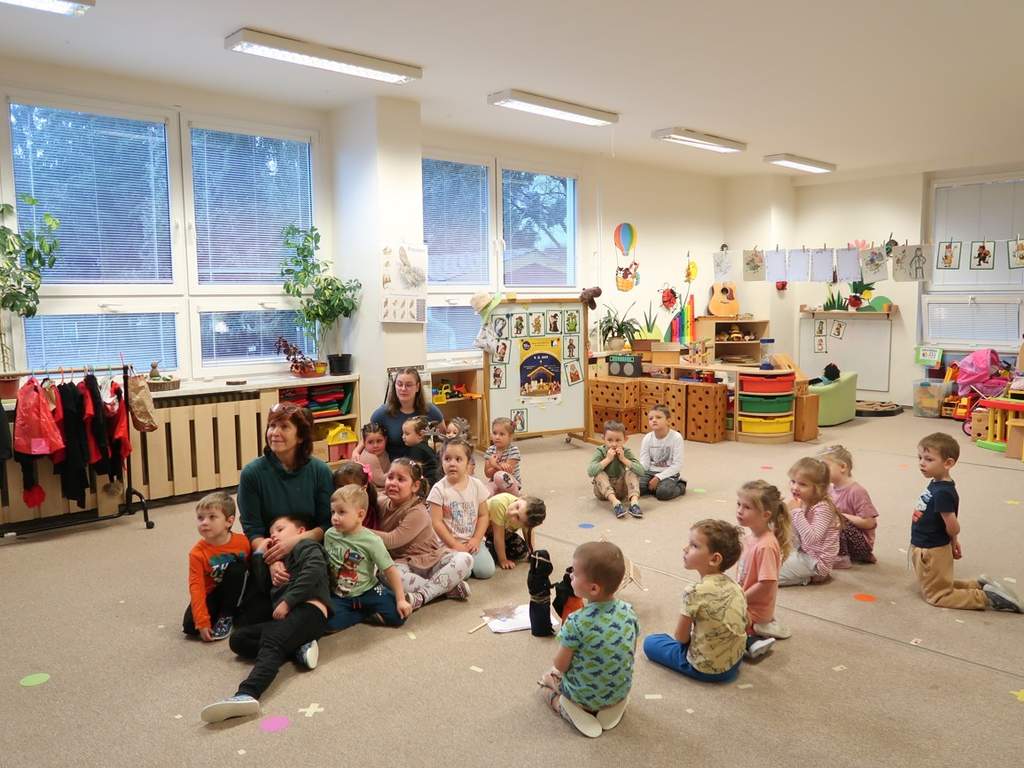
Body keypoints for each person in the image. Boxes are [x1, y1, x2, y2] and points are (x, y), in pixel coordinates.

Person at [200, 516, 332, 723]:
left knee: (272, 643)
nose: (274, 535)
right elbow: (263, 587)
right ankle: (298, 647)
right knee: (239, 640)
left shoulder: (306, 546)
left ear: (300, 531)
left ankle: (247, 693)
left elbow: (314, 571)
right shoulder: (277, 560)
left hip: (309, 610)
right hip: (289, 620)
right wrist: (261, 556)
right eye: (271, 533)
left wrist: (287, 601)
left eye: (280, 529)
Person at [538, 541, 638, 738]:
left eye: (575, 573)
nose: (570, 576)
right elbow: (630, 651)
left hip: (582, 697)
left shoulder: (576, 622)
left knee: (546, 683)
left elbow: (561, 665)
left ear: (593, 589)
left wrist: (554, 675)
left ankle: (566, 707)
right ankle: (614, 703)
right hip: (619, 691)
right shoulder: (629, 611)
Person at [910, 433, 1020, 612]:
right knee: (936, 582)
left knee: (937, 595)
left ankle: (988, 597)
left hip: (931, 549)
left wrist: (953, 538)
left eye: (928, 459)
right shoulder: (939, 484)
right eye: (920, 457)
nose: (922, 463)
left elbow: (953, 526)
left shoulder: (942, 492)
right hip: (930, 545)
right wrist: (953, 542)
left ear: (948, 463)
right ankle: (978, 585)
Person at [237, 403, 333, 592]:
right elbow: (253, 529)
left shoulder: (320, 471)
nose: (275, 432)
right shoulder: (251, 474)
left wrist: (296, 542)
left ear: (300, 437)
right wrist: (273, 560)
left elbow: (327, 524)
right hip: (268, 550)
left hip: (310, 551)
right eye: (272, 426)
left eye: (284, 427)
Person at [643, 519, 747, 682]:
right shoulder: (735, 586)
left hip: (707, 669)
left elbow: (680, 638)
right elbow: (746, 621)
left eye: (694, 546)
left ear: (714, 559)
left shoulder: (694, 591)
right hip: (735, 661)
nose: (685, 549)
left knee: (651, 642)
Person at [371, 458, 473, 608]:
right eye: (390, 477)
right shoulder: (382, 501)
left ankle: (422, 596)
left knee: (465, 559)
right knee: (385, 574)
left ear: (415, 486)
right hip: (403, 563)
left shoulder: (417, 511)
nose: (393, 483)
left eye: (401, 479)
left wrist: (360, 531)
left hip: (430, 560)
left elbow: (393, 540)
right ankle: (446, 589)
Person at [324, 484, 412, 632]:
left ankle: (381, 602)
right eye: (333, 512)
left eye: (341, 512)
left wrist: (401, 599)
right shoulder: (329, 535)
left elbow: (390, 570)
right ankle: (363, 614)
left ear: (360, 515)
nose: (335, 518)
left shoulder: (372, 540)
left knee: (398, 617)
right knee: (327, 624)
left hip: (369, 590)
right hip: (340, 595)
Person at [183, 492, 251, 641]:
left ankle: (227, 615)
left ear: (229, 521)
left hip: (240, 589)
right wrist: (202, 621)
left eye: (212, 517)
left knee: (237, 568)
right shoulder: (197, 553)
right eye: (200, 518)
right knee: (190, 626)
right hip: (214, 592)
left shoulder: (244, 542)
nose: (204, 522)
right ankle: (228, 611)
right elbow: (196, 587)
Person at [735, 480, 792, 650]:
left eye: (747, 507)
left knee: (717, 624)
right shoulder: (750, 537)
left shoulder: (766, 545)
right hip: (744, 602)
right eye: (739, 504)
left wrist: (739, 599)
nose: (739, 510)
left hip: (754, 611)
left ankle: (755, 638)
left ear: (766, 515)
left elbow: (766, 584)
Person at [427, 439, 494, 579]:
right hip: (448, 544)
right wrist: (454, 544)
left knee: (486, 571)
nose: (452, 463)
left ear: (468, 463)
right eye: (447, 459)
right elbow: (436, 522)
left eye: (458, 459)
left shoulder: (476, 485)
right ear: (441, 461)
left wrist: (476, 539)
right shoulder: (438, 489)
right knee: (464, 573)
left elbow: (483, 515)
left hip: (472, 541)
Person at [778, 458, 842, 587]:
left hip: (816, 561)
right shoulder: (802, 501)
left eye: (802, 484)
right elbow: (794, 535)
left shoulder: (823, 508)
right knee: (764, 564)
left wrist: (796, 512)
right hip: (802, 552)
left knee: (767, 576)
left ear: (818, 488)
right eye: (793, 481)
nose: (795, 487)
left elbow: (811, 539)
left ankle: (812, 577)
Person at [818, 445, 878, 566]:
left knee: (836, 519)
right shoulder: (829, 489)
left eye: (826, 467)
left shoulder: (857, 491)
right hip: (837, 540)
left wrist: (841, 516)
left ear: (843, 467)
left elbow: (870, 522)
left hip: (860, 545)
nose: (821, 472)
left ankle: (842, 558)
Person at [370, 368, 445, 459]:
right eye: (399, 384)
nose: (403, 389)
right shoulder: (382, 413)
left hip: (425, 465)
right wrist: (356, 451)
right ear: (394, 386)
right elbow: (367, 438)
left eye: (408, 385)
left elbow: (443, 437)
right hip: (395, 464)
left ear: (417, 387)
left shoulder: (431, 410)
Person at [588, 420, 645, 519]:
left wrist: (623, 459)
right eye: (609, 440)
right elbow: (590, 471)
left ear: (625, 439)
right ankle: (616, 503)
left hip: (622, 490)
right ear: (603, 439)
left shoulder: (626, 452)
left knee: (632, 471)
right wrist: (607, 459)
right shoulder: (600, 451)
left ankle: (634, 504)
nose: (614, 444)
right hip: (603, 491)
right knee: (599, 473)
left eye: (618, 440)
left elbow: (641, 471)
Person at [486, 492, 546, 569]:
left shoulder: (525, 517)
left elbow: (528, 532)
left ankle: (495, 550)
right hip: (483, 532)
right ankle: (492, 550)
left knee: (521, 551)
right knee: (491, 556)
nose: (512, 512)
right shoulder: (499, 504)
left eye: (517, 517)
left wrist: (532, 552)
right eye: (517, 507)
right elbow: (498, 537)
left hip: (500, 531)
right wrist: (503, 560)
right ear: (521, 498)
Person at [638, 405, 686, 502]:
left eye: (658, 417)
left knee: (663, 492)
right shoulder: (647, 438)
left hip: (669, 473)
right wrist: (637, 471)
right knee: (634, 487)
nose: (654, 420)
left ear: (668, 421)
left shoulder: (676, 437)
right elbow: (645, 463)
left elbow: (677, 464)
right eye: (651, 418)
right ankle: (655, 488)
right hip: (650, 472)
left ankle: (680, 485)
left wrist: (659, 477)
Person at [332, 460, 379, 529]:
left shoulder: (369, 512)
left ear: (364, 488)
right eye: (340, 486)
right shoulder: (334, 505)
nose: (343, 491)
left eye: (349, 487)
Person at [483, 416, 522, 495]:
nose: (497, 437)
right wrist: (495, 466)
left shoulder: (513, 450)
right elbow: (487, 474)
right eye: (494, 433)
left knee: (499, 476)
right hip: (495, 483)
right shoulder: (490, 450)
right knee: (485, 493)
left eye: (502, 434)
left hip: (511, 482)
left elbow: (507, 472)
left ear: (510, 437)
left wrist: (494, 465)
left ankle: (514, 494)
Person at [401, 415, 440, 485]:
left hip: (428, 483)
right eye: (403, 433)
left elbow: (413, 472)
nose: (403, 437)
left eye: (407, 434)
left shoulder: (417, 449)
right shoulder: (424, 447)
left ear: (420, 435)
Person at [352, 422, 390, 491]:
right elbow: (381, 481)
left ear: (385, 439)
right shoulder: (370, 457)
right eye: (370, 442)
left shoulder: (382, 452)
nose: (375, 445)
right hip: (369, 492)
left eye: (379, 441)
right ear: (364, 443)